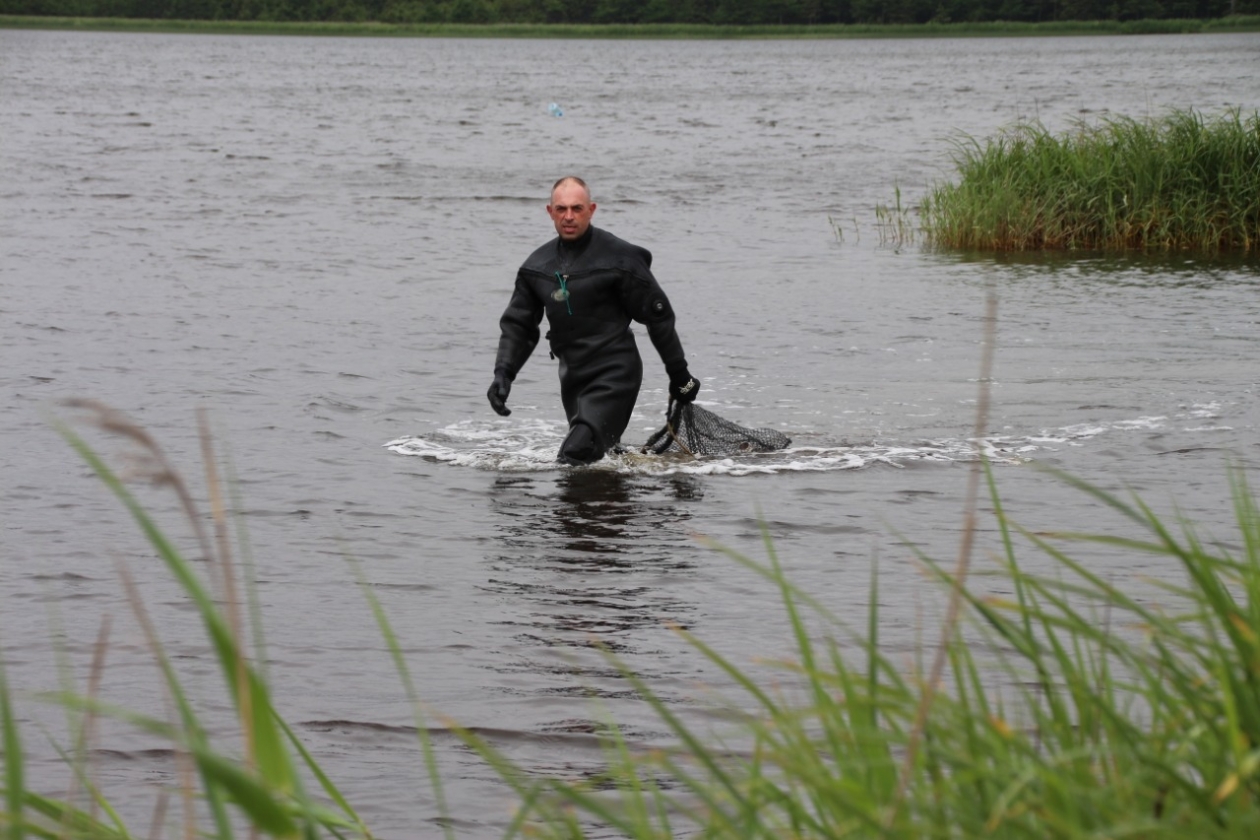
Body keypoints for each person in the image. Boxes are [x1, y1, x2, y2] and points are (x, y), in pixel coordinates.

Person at [487, 176, 700, 466]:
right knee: (597, 462)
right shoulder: (537, 267)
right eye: (561, 209)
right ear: (550, 212)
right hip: (573, 378)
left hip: (615, 373)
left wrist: (680, 376)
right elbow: (519, 325)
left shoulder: (620, 259)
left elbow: (659, 317)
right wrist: (504, 374)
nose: (569, 216)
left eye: (577, 208)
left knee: (574, 453)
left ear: (592, 209)